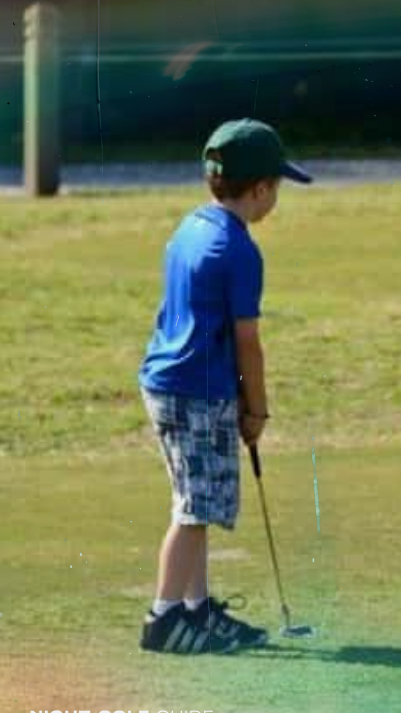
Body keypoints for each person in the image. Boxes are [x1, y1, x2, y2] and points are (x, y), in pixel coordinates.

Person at [137, 119, 312, 654]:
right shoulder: (239, 251)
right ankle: (164, 618)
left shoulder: (191, 226)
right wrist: (256, 410)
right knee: (196, 509)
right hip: (197, 390)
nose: (275, 199)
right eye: (276, 187)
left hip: (169, 382)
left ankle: (197, 610)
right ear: (259, 189)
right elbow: (247, 343)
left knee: (199, 502)